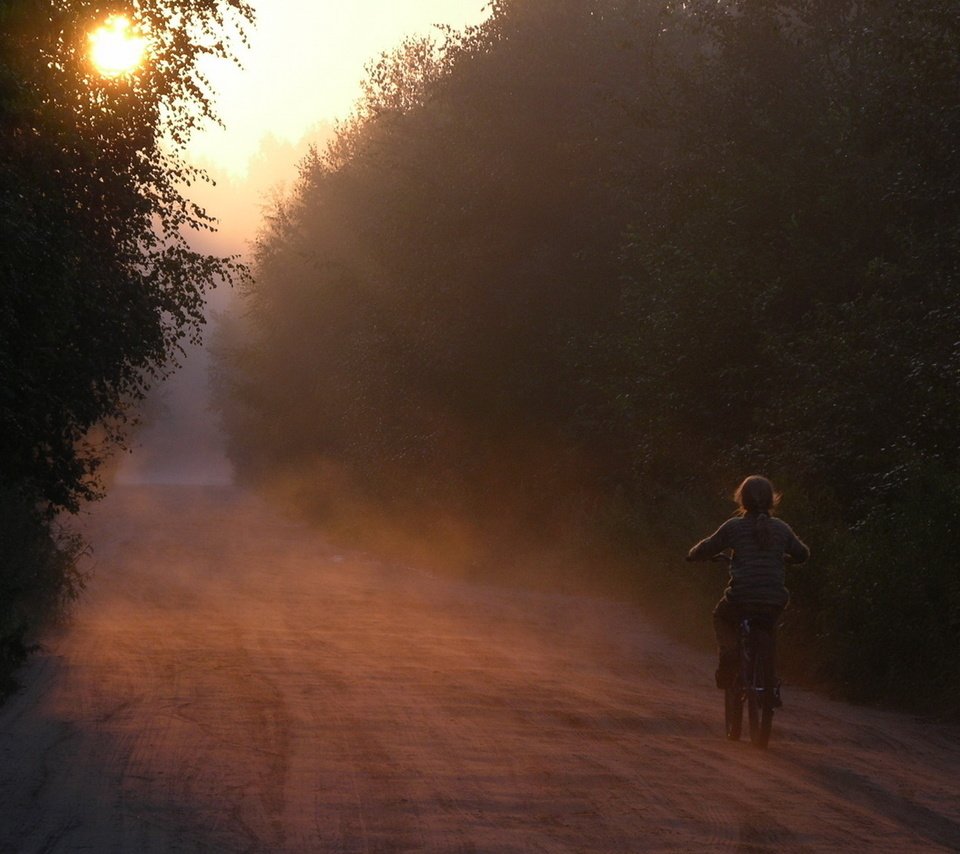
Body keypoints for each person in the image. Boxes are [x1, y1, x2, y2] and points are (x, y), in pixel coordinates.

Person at [686, 475, 810, 691]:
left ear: (742, 500)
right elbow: (803, 553)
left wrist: (693, 555)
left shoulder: (734, 527)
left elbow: (708, 547)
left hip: (741, 598)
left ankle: (729, 656)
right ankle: (769, 680)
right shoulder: (781, 528)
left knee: (722, 616)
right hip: (774, 599)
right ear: (772, 500)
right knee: (769, 626)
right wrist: (788, 559)